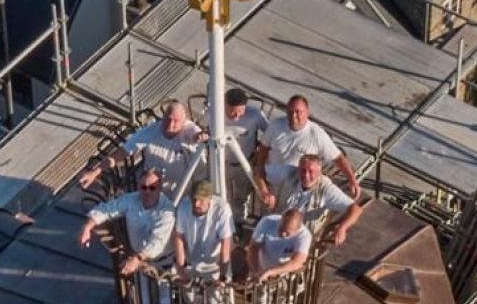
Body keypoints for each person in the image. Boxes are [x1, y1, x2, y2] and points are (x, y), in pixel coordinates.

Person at [79, 170, 177, 304]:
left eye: (152, 188)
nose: (147, 192)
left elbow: (157, 242)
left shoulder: (167, 211)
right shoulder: (132, 200)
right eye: (143, 187)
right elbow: (108, 209)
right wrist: (88, 226)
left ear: (160, 188)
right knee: (144, 299)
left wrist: (136, 259)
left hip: (163, 264)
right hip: (140, 263)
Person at [253, 95, 357, 209]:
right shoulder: (276, 126)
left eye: (298, 112)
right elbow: (263, 148)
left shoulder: (317, 134)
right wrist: (262, 179)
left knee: (289, 219)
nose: (294, 116)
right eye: (290, 112)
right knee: (265, 215)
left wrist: (352, 180)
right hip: (272, 181)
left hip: (295, 187)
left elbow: (338, 158)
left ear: (307, 113)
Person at [80, 101, 207, 193]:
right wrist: (96, 171)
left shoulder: (190, 130)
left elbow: (195, 136)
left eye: (176, 121)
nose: (170, 125)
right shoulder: (151, 131)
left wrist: (201, 136)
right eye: (167, 120)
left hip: (184, 190)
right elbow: (123, 151)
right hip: (155, 191)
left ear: (184, 121)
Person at [246, 208, 314, 304]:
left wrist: (272, 272)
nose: (283, 233)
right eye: (282, 228)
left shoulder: (305, 236)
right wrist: (255, 270)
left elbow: (297, 262)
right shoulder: (267, 222)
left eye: (288, 232)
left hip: (286, 276)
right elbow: (253, 248)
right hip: (262, 271)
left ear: (297, 230)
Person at [173, 178, 234, 304]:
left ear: (210, 199)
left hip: (213, 265)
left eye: (201, 200)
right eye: (194, 199)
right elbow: (179, 237)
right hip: (192, 262)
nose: (196, 204)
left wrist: (223, 274)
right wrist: (181, 267)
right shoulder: (184, 208)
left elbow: (226, 243)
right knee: (189, 298)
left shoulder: (222, 209)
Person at [201, 86, 265, 216]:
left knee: (241, 198)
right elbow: (200, 128)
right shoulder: (213, 113)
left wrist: (260, 155)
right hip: (220, 163)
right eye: (232, 112)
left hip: (244, 164)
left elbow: (270, 135)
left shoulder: (255, 115)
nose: (236, 116)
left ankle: (239, 222)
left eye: (240, 112)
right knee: (218, 196)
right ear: (224, 105)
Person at [274, 153, 363, 246]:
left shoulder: (326, 190)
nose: (306, 176)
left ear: (319, 172)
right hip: (277, 229)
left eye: (311, 171)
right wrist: (265, 193)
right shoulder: (289, 173)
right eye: (303, 171)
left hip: (303, 239)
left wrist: (342, 228)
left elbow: (356, 210)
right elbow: (259, 171)